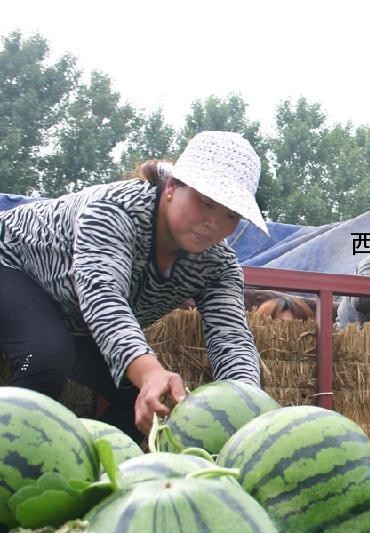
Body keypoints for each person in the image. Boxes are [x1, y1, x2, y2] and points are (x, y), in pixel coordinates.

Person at [0, 131, 269, 441]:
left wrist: (248, 407)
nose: (214, 223)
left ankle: (97, 472)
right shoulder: (114, 211)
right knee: (46, 356)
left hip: (70, 316)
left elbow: (232, 338)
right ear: (172, 187)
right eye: (206, 203)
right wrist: (150, 371)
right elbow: (103, 295)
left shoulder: (218, 266)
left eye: (231, 215)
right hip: (11, 265)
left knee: (149, 399)